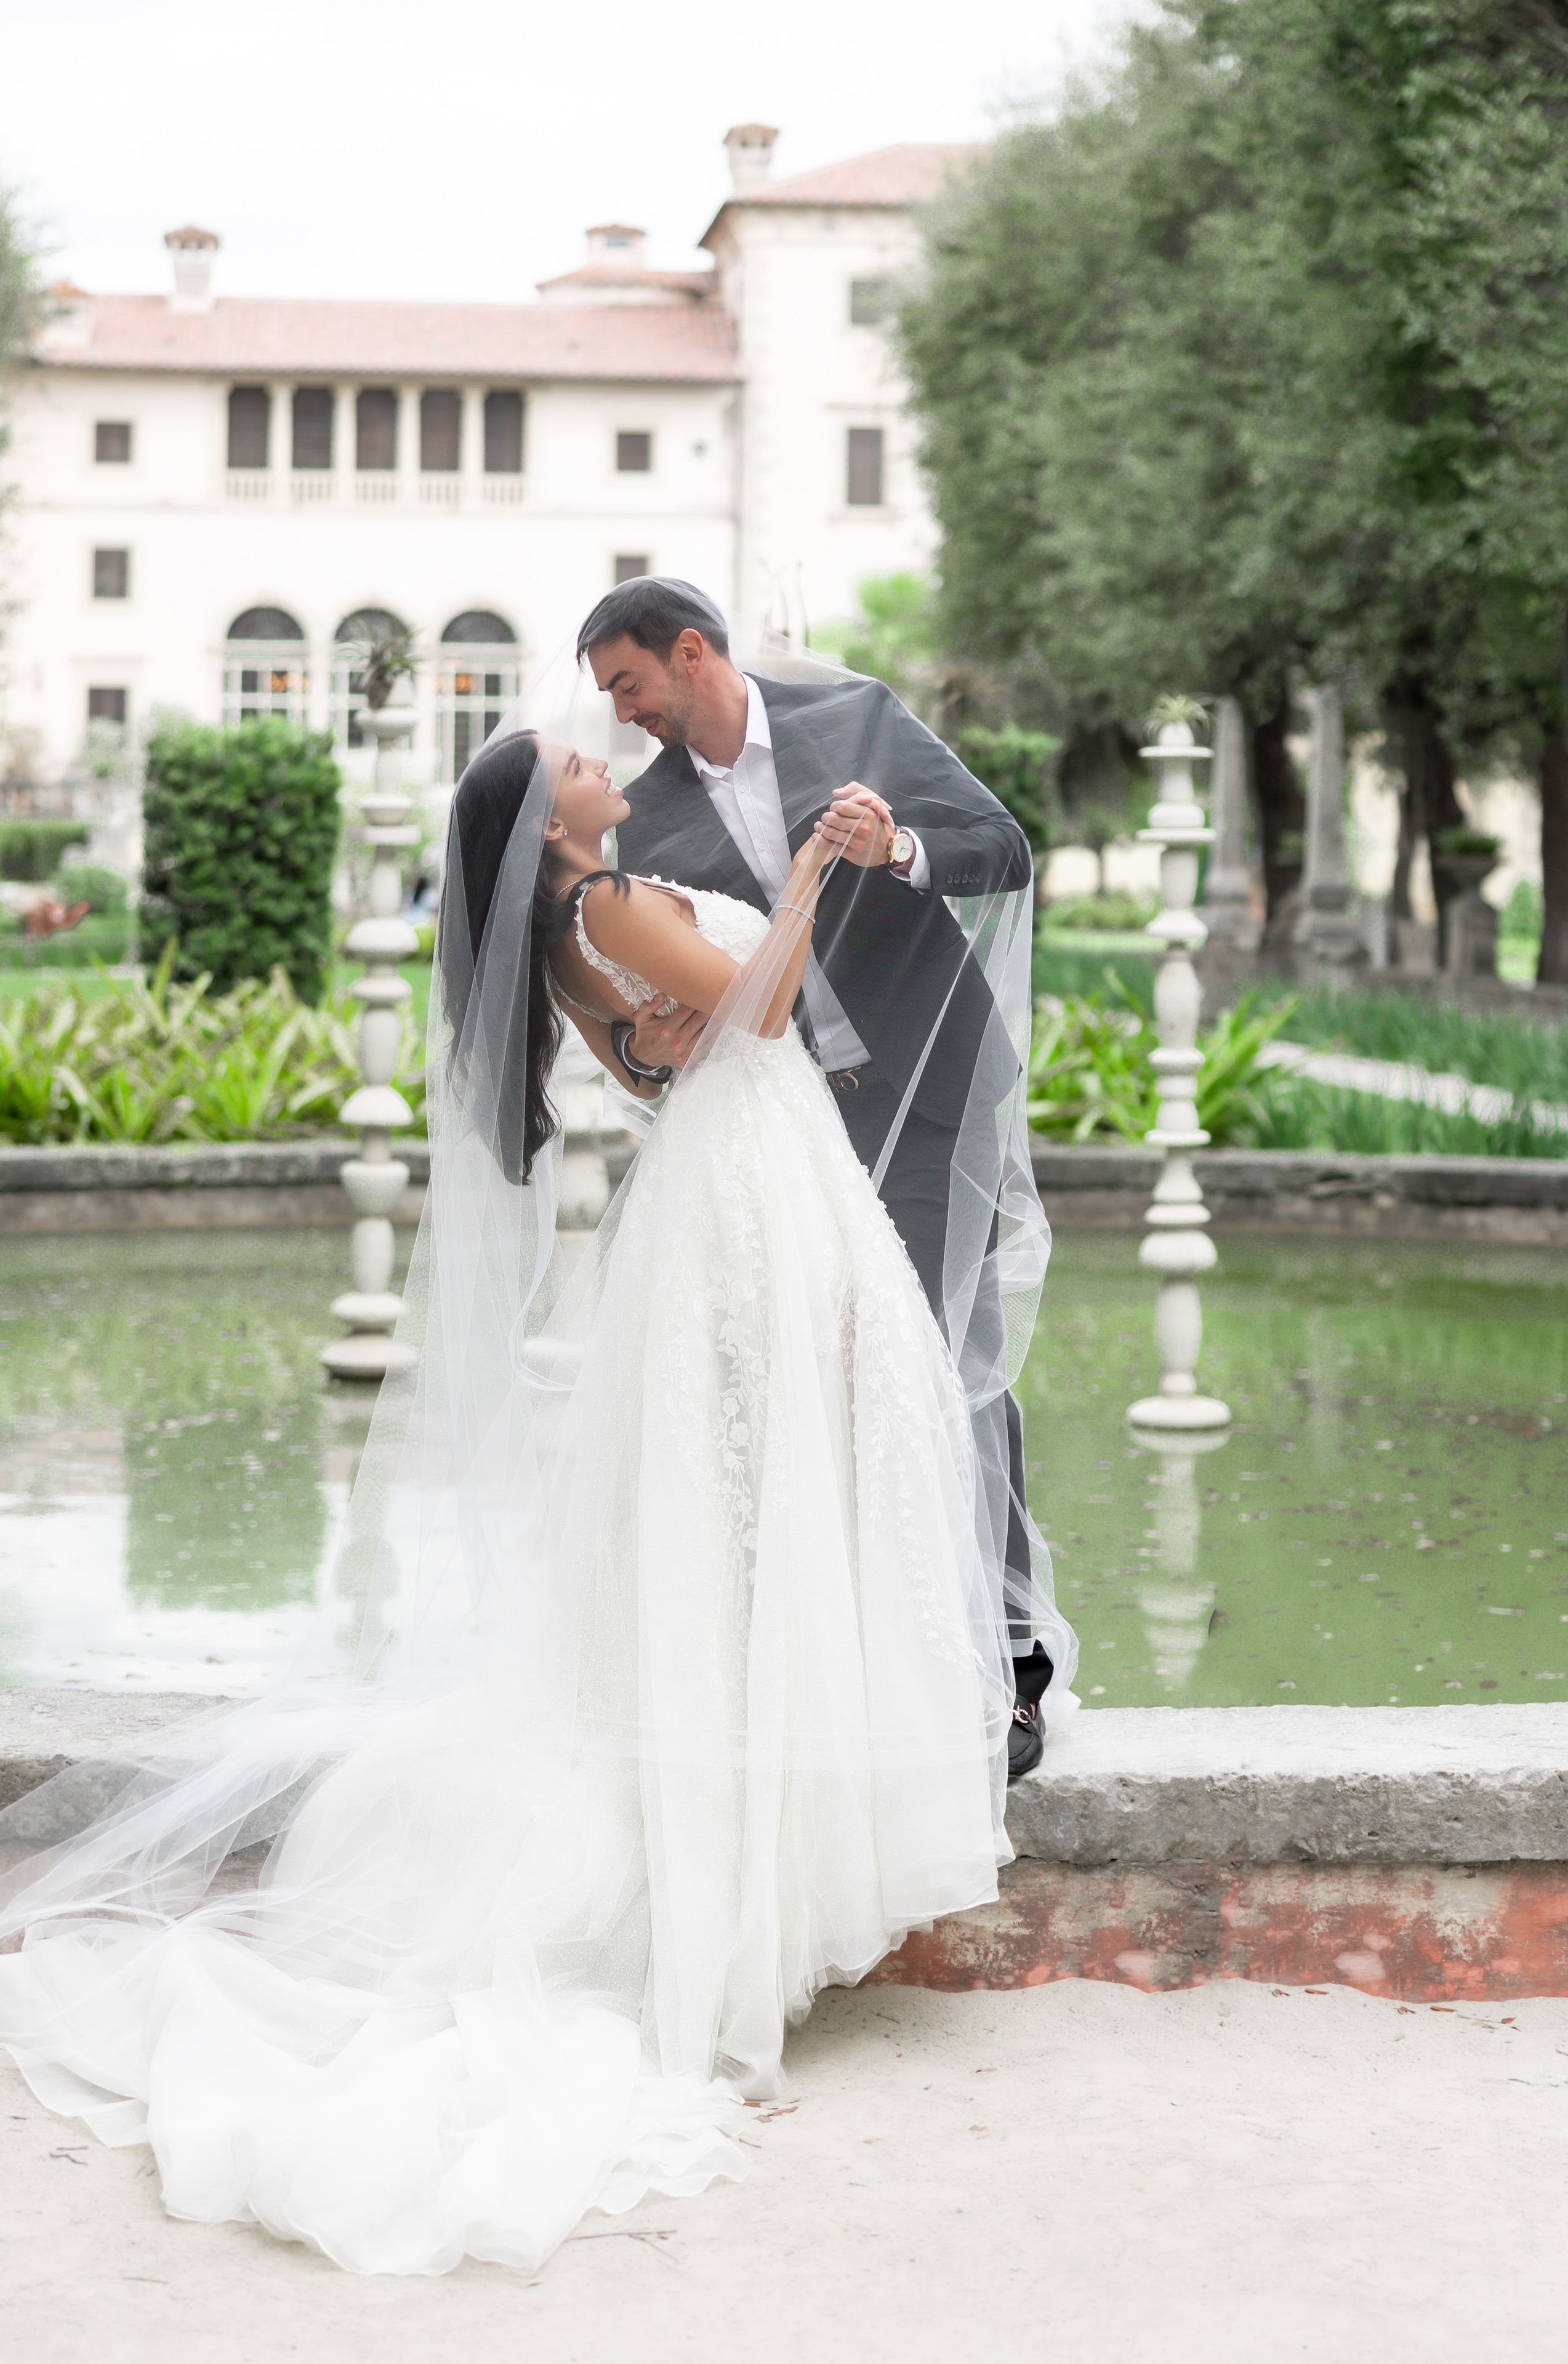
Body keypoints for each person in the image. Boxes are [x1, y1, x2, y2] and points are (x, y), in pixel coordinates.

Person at [0, 705, 1072, 2280]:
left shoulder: (576, 935)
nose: (594, 755)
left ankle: (763, 1827)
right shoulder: (605, 903)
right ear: (550, 820)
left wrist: (701, 1003)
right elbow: (767, 1012)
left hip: (737, 1181)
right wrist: (807, 884)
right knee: (803, 1471)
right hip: (756, 1187)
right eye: (571, 758)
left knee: (754, 1494)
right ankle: (754, 1864)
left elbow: (660, 1056)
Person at [581, 577, 1058, 1774]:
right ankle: (873, 1659)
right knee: (831, 1381)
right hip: (793, 1131)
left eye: (628, 683)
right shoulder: (644, 822)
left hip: (927, 1092)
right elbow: (674, 1014)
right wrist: (654, 1043)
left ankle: (1007, 1665)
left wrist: (897, 847)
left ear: (692, 652)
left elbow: (1003, 848)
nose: (622, 712)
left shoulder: (855, 719)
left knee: (950, 1361)